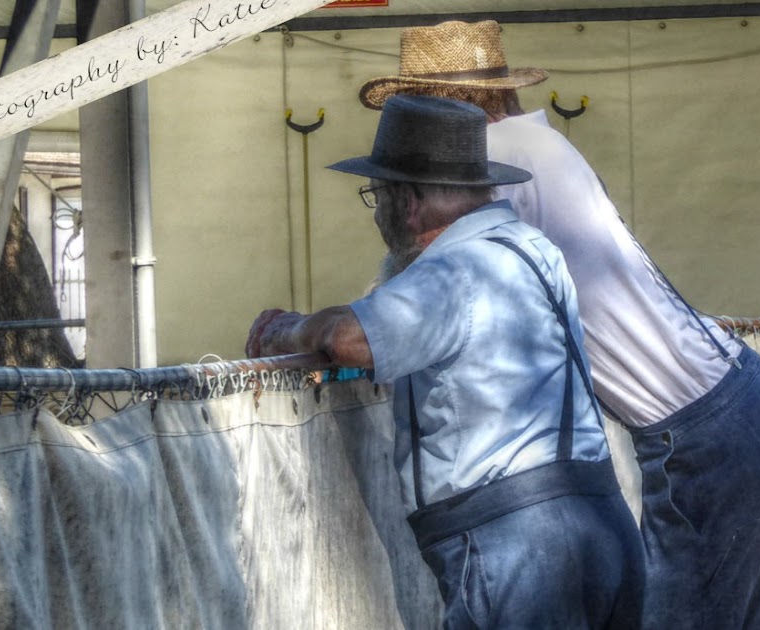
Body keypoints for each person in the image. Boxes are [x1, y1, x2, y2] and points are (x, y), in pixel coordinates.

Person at [358, 21, 760, 630]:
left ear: (454, 105)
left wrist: (351, 324)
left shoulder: (495, 163)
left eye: (419, 106)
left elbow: (431, 278)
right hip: (736, 402)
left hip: (702, 431)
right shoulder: (536, 146)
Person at [245, 94, 643, 629]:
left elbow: (347, 339)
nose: (378, 214)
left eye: (376, 195)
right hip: (603, 523)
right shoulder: (531, 247)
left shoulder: (453, 272)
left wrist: (284, 331)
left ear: (407, 201)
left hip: (518, 544)